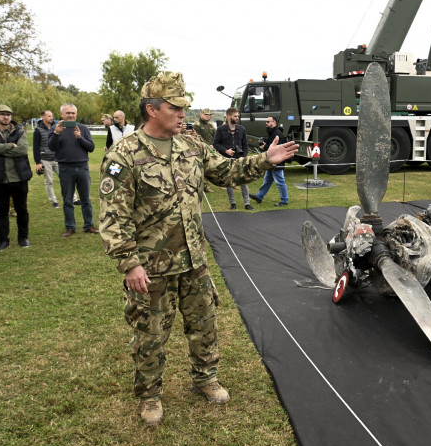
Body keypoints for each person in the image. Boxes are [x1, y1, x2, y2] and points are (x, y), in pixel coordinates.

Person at [99, 71, 298, 426]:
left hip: (194, 261)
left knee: (204, 325)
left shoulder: (191, 146)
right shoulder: (124, 155)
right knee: (150, 334)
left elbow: (227, 172)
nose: (182, 114)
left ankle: (205, 379)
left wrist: (266, 160)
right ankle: (149, 396)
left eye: (184, 107)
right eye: (175, 107)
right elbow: (114, 217)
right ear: (151, 109)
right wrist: (130, 264)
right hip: (152, 268)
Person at [0, 105, 32, 251]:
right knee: (1, 211)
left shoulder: (19, 131)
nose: (6, 117)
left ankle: (23, 238)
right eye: (2, 114)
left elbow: (22, 150)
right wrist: (10, 146)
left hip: (18, 177)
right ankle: (3, 240)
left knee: (22, 209)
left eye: (8, 114)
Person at [49, 104, 97, 237]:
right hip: (65, 168)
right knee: (68, 200)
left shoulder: (82, 128)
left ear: (76, 114)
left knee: (86, 199)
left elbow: (91, 147)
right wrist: (56, 133)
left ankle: (89, 225)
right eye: (67, 113)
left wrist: (80, 138)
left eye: (73, 113)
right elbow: (51, 147)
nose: (70, 115)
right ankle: (70, 227)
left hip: (82, 167)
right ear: (61, 115)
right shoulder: (55, 128)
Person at [213, 107, 253, 210]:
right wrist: (226, 151)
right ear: (228, 116)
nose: (237, 118)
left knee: (243, 182)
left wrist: (243, 157)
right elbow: (216, 144)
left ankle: (247, 203)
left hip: (240, 159)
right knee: (229, 182)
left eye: (237, 116)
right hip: (227, 160)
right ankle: (233, 203)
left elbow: (245, 145)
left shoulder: (241, 129)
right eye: (235, 116)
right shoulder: (221, 129)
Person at [251, 116, 289, 206]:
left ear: (274, 122)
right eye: (266, 122)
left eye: (268, 122)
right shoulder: (273, 133)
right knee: (267, 180)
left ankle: (284, 200)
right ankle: (259, 196)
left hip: (276, 162)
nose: (266, 123)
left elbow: (276, 150)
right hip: (271, 162)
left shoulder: (277, 134)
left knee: (280, 181)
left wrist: (265, 146)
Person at [33, 110, 62, 208]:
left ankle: (73, 198)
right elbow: (35, 147)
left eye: (52, 116)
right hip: (45, 159)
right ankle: (53, 201)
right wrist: (38, 162)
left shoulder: (56, 128)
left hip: (57, 158)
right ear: (43, 117)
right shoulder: (38, 130)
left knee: (65, 179)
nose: (52, 117)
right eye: (49, 116)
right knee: (49, 182)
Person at [192, 108, 216, 193]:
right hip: (202, 148)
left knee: (213, 166)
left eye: (209, 115)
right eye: (206, 115)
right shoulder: (197, 125)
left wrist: (213, 144)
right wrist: (208, 145)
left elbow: (215, 135)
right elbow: (197, 137)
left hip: (212, 148)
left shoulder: (211, 125)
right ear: (201, 114)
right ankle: (206, 186)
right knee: (203, 167)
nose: (208, 117)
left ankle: (218, 183)